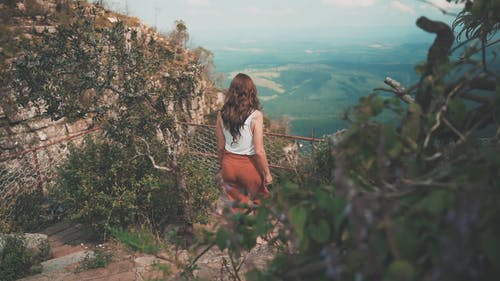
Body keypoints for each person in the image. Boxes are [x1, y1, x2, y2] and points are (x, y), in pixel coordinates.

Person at [216, 73, 273, 213]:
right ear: (251, 91)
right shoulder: (255, 116)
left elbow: (221, 147)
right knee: (261, 201)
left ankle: (242, 231)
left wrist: (222, 166)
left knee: (238, 206)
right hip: (249, 166)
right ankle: (261, 233)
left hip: (228, 165)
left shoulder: (221, 114)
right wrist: (267, 173)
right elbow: (259, 151)